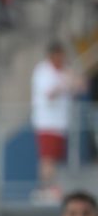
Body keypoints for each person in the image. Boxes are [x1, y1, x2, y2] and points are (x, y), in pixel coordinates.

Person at [31, 42, 85, 202]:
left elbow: (81, 88)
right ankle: (45, 189)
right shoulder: (43, 71)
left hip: (60, 123)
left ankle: (52, 187)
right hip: (47, 123)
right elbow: (50, 93)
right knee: (47, 158)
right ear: (53, 56)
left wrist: (73, 78)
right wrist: (65, 82)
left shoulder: (64, 71)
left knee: (55, 158)